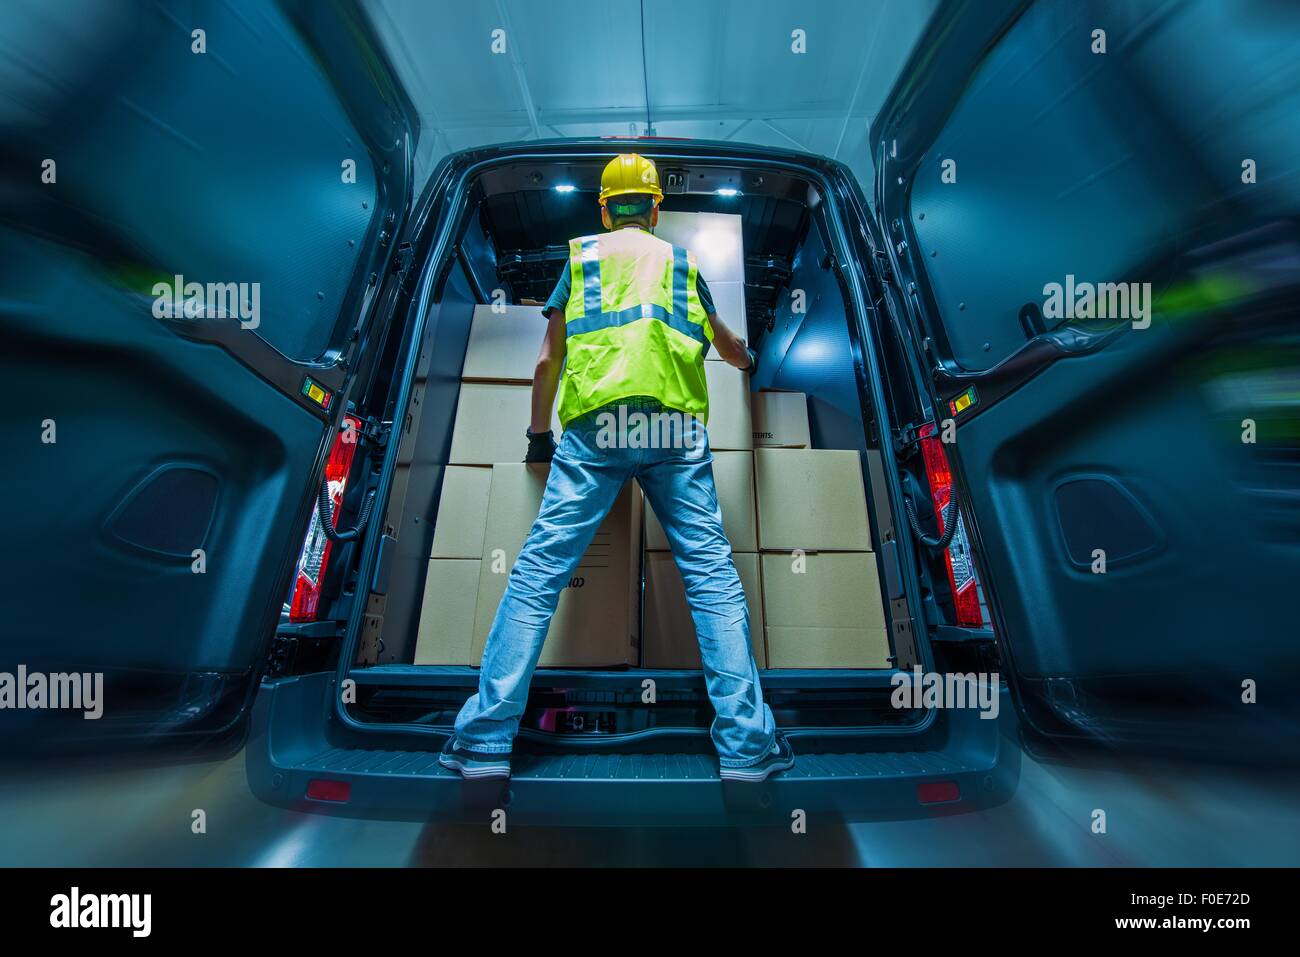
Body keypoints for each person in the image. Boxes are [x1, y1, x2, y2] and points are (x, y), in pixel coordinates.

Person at [440, 153, 793, 782]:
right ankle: (746, 748)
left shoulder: (581, 260)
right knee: (711, 578)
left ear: (604, 208)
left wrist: (538, 437)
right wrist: (748, 362)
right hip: (672, 429)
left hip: (597, 427)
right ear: (655, 208)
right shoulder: (683, 265)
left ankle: (484, 742)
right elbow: (728, 345)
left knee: (539, 574)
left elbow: (548, 361)